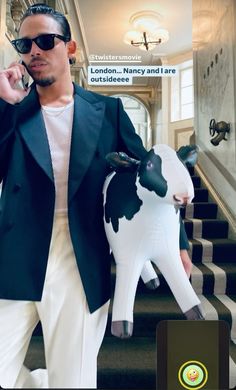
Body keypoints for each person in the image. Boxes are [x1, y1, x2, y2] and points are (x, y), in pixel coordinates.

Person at [0, 3, 193, 388]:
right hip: (15, 254)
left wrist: (180, 242)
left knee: (73, 380)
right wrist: (4, 107)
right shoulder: (12, 112)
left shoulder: (108, 110)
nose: (33, 51)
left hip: (81, 255)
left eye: (45, 41)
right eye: (24, 44)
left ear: (70, 48)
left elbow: (149, 175)